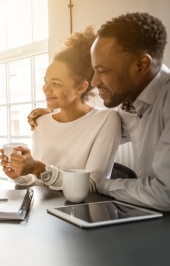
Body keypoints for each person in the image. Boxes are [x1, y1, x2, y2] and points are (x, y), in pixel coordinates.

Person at [29, 13, 170, 211]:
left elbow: (165, 194)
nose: (94, 82)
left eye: (102, 70)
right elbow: (91, 125)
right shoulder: (128, 107)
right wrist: (56, 114)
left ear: (141, 65)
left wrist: (93, 184)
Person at [0, 27, 121, 192]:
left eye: (55, 83)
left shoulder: (106, 119)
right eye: (46, 81)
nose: (45, 89)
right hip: (42, 212)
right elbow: (39, 182)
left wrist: (38, 168)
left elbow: (91, 185)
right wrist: (19, 174)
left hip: (81, 213)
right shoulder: (40, 122)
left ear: (80, 87)